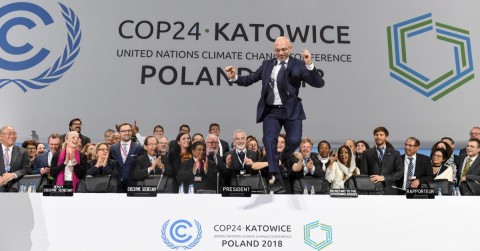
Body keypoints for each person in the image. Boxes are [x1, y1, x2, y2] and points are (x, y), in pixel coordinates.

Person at [225, 36, 325, 191]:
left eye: (284, 49)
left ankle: (279, 160)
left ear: (290, 48)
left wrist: (309, 65)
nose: (281, 52)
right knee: (269, 139)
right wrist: (234, 77)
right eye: (277, 50)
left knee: (293, 140)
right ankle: (275, 175)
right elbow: (249, 79)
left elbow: (318, 83)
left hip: (291, 110)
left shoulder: (298, 65)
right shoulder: (267, 65)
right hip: (272, 110)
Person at [360, 126, 403, 195]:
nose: (378, 137)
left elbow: (399, 172)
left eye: (381, 135)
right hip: (372, 190)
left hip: (390, 190)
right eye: (376, 135)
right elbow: (363, 173)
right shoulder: (366, 153)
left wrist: (384, 178)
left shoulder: (395, 153)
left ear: (386, 137)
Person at [109, 123, 144, 192]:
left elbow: (141, 167)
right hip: (116, 185)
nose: (127, 133)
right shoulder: (112, 148)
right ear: (119, 133)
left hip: (133, 184)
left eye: (129, 130)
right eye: (124, 131)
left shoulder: (139, 148)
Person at [0, 126, 31, 192]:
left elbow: (27, 169)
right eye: (9, 134)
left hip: (15, 189)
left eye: (14, 134)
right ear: (0, 136)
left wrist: (13, 175)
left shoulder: (23, 151)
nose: (12, 136)